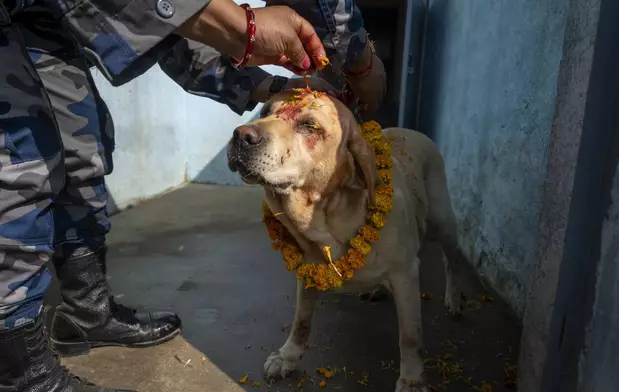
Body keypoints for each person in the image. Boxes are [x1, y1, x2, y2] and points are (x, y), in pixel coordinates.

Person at [0, 0, 385, 391]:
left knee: (81, 147)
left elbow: (167, 30)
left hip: (42, 21)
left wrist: (267, 81)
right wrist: (245, 28)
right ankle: (21, 375)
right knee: (20, 159)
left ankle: (87, 313)